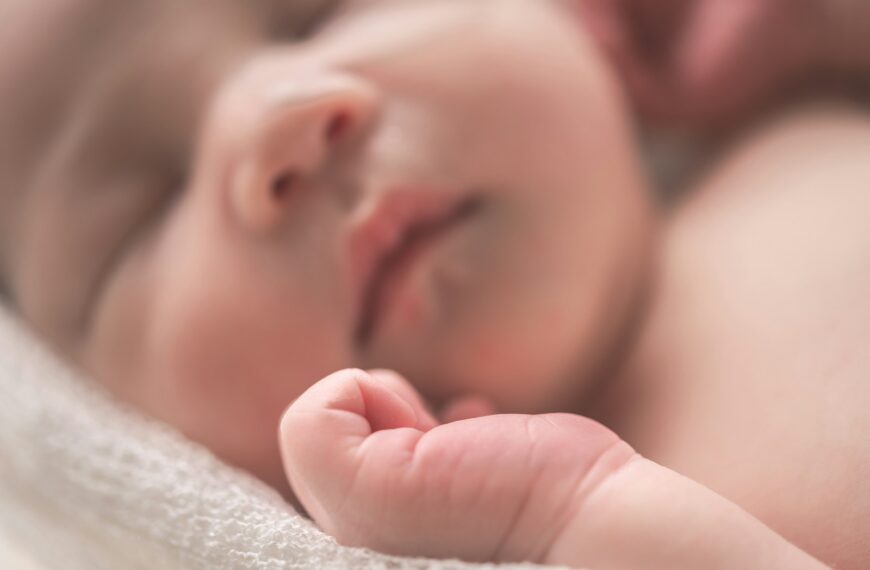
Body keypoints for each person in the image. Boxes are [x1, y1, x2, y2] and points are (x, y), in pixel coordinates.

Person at [0, 0, 867, 567]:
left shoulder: (802, 101)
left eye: (315, 16)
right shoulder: (592, 520)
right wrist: (572, 512)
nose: (282, 122)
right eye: (142, 214)